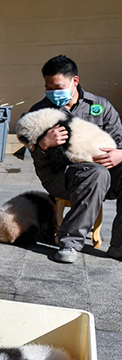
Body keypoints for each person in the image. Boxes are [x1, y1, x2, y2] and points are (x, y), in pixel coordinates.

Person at [26, 54, 122, 263]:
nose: (52, 92)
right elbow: (38, 160)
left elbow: (119, 141)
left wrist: (120, 153)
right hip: (61, 177)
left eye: (57, 87)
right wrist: (43, 145)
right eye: (48, 87)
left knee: (104, 171)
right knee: (96, 173)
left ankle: (119, 246)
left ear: (74, 81)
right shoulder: (39, 112)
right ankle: (69, 242)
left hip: (103, 172)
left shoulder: (101, 106)